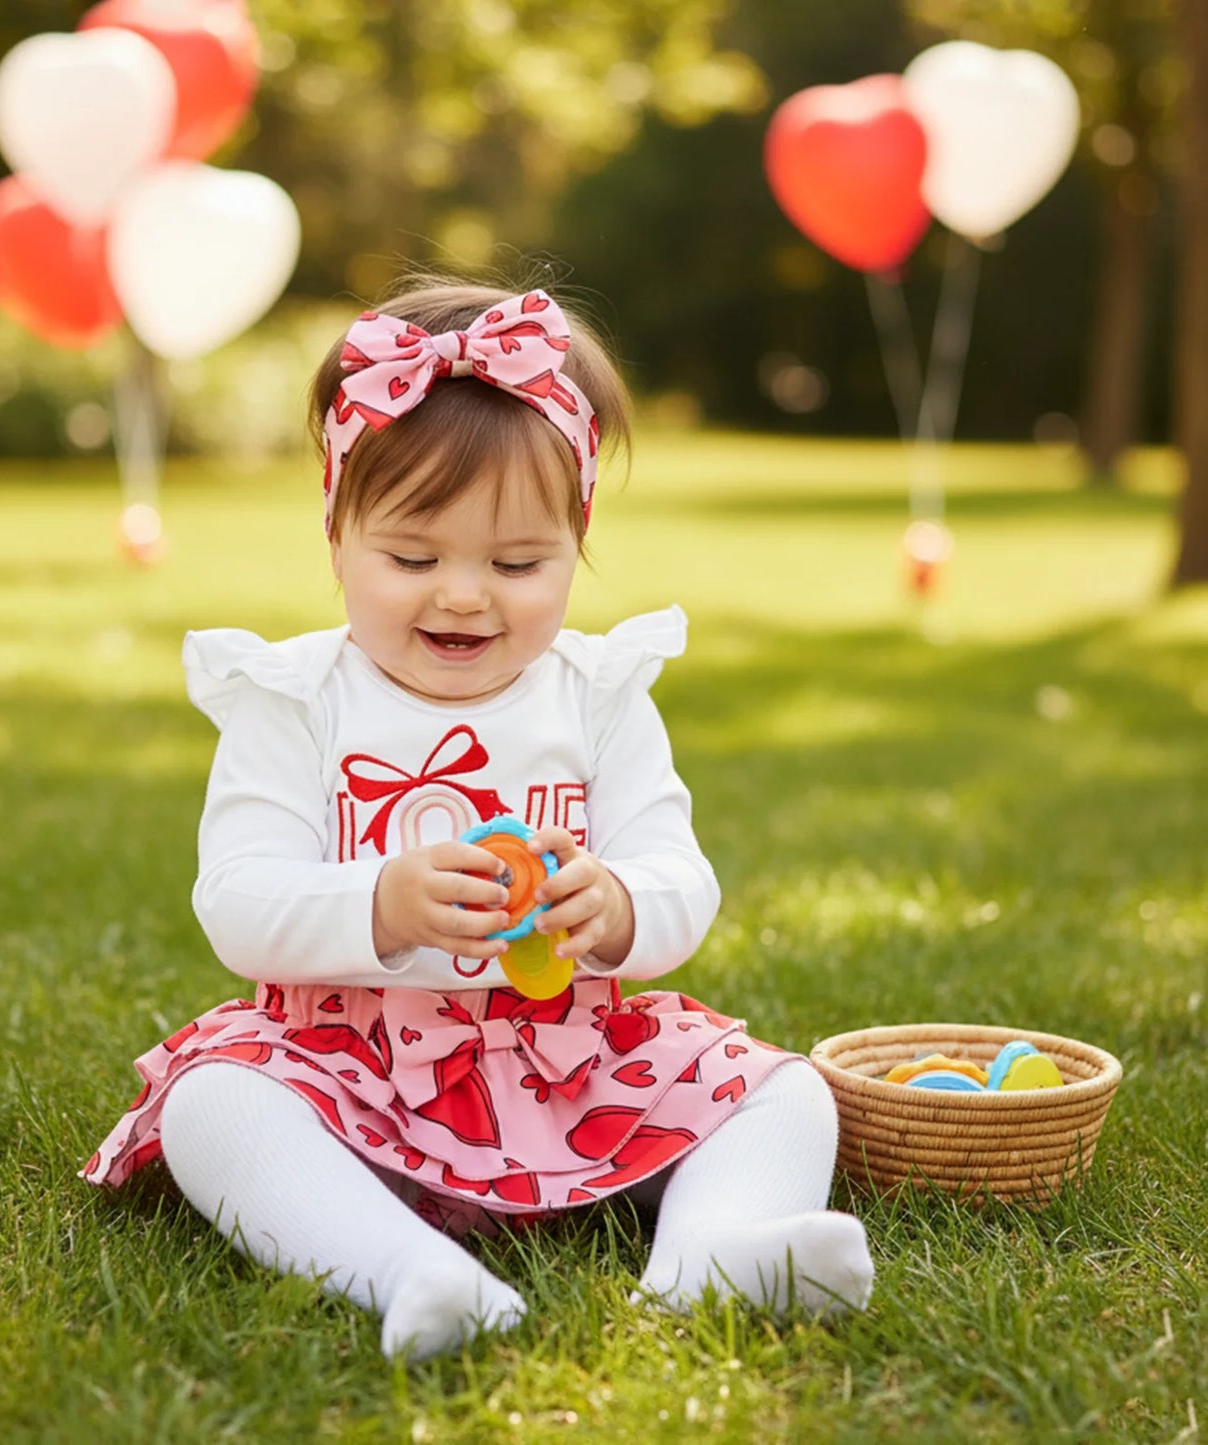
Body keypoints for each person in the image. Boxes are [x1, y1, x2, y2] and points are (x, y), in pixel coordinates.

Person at [83, 280, 874, 1361]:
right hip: (351, 1060)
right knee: (214, 1103)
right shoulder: (294, 699)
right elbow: (237, 899)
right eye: (412, 558)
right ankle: (410, 1269)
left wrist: (617, 901)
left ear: (576, 540)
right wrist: (380, 899)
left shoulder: (597, 693)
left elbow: (678, 876)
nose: (463, 595)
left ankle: (716, 1252)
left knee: (787, 1089)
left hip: (572, 1052)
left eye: (516, 563)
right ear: (335, 533)